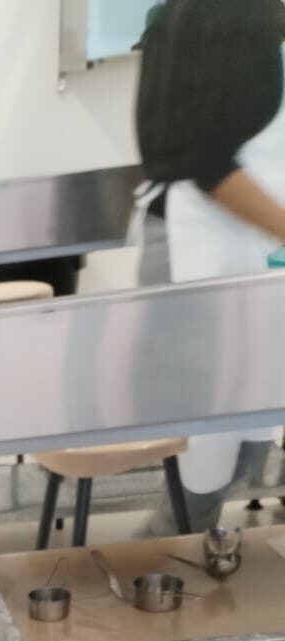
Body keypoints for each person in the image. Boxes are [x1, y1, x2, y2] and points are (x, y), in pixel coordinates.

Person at [135, 0, 285, 527]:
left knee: (243, 446)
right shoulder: (200, 16)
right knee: (202, 467)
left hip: (254, 256)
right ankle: (158, 578)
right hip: (201, 253)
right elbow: (201, 158)